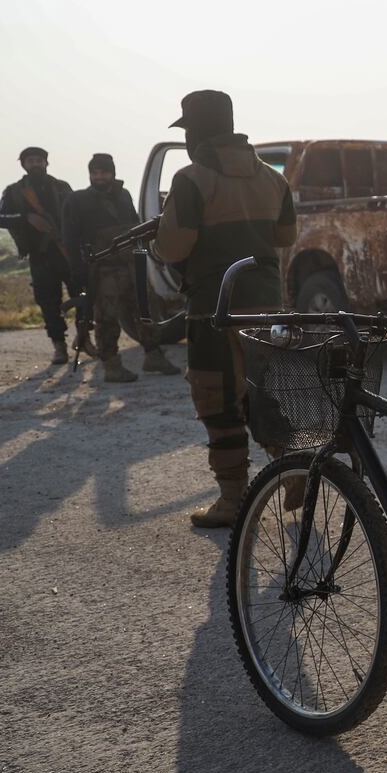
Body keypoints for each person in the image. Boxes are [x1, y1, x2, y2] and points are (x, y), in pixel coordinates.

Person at [154, 91, 297, 528]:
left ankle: (233, 499)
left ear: (196, 132)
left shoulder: (191, 179)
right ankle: (293, 469)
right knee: (261, 391)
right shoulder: (272, 177)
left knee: (217, 400)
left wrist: (156, 242)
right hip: (267, 305)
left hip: (214, 308)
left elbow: (173, 246)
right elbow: (286, 236)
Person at [61, 153, 180, 383]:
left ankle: (153, 356)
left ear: (112, 173)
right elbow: (70, 238)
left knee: (147, 311)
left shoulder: (123, 196)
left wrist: (153, 255)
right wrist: (77, 270)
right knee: (107, 318)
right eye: (95, 172)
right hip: (103, 269)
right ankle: (111, 365)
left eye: (104, 172)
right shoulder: (78, 201)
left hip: (132, 265)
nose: (99, 177)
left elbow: (137, 229)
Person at [0, 147, 79, 364]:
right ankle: (59, 346)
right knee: (48, 303)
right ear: (24, 165)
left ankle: (84, 337)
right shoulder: (14, 191)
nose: (35, 164)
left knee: (82, 297)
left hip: (67, 252)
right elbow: (1, 217)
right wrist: (27, 217)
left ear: (46, 163)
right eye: (30, 161)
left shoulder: (61, 187)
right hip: (41, 256)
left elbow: (77, 213)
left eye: (39, 160)